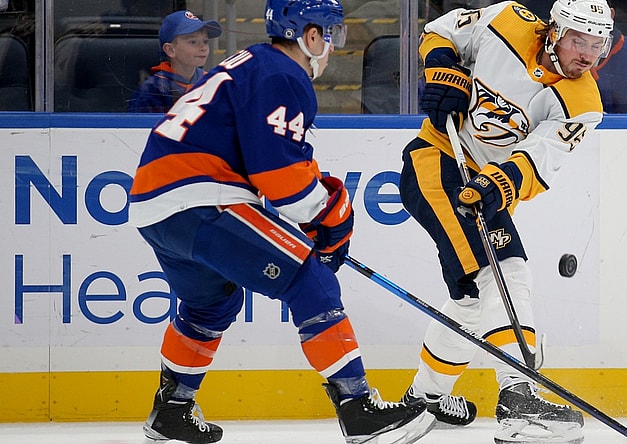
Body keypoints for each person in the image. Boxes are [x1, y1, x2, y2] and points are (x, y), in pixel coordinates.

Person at [128, 1, 434, 443]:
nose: (333, 46)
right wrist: (330, 218)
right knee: (310, 280)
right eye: (330, 34)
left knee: (210, 306)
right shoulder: (283, 75)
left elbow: (268, 165)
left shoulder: (252, 63)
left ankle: (171, 411)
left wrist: (315, 215)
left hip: (155, 205)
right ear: (309, 36)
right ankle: (359, 410)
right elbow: (282, 179)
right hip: (202, 199)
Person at [399, 0, 613, 443]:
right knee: (505, 272)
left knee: (472, 300)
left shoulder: (584, 102)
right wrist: (443, 68)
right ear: (555, 31)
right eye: (579, 41)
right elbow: (442, 31)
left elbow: (541, 158)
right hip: (437, 161)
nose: (588, 55)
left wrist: (499, 182)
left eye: (597, 44)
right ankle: (518, 399)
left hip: (482, 190)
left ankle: (424, 399)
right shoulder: (506, 19)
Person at [128, 10, 222, 113]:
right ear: (170, 50)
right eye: (193, 42)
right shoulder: (151, 89)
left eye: (205, 41)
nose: (203, 48)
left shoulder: (210, 82)